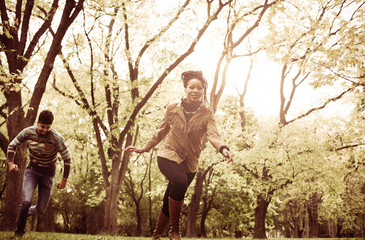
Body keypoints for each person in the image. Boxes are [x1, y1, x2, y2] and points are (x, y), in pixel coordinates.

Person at [125, 70, 233, 240]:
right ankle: (174, 231)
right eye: (192, 87)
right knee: (180, 182)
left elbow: (213, 134)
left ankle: (156, 234)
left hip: (190, 161)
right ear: (185, 88)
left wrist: (223, 149)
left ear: (203, 91)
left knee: (175, 193)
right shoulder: (172, 108)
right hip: (169, 154)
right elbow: (161, 131)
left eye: (199, 88)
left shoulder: (207, 113)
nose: (195, 91)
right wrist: (144, 148)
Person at [7, 110, 71, 236]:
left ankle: (24, 212)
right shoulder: (28, 132)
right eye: (42, 126)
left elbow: (67, 158)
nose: (44, 130)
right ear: (37, 123)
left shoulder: (56, 138)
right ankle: (19, 232)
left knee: (40, 209)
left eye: (48, 127)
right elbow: (12, 146)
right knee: (26, 201)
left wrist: (64, 180)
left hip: (48, 174)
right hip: (32, 170)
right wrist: (10, 163)